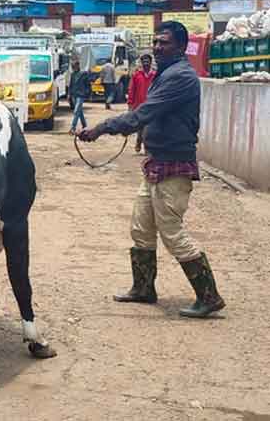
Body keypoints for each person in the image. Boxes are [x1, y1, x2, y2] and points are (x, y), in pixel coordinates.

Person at [79, 21, 225, 318]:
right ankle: (143, 288)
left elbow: (145, 112)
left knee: (171, 231)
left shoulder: (180, 76)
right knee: (141, 228)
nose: (157, 47)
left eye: (165, 43)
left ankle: (209, 296)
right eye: (156, 42)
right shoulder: (167, 73)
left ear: (182, 47)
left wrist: (102, 127)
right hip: (156, 161)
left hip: (174, 164)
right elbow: (147, 113)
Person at [128, 54, 157, 153]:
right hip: (139, 106)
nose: (145, 63)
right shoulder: (136, 75)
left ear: (150, 62)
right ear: (141, 63)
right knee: (140, 127)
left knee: (149, 128)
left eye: (147, 61)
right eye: (144, 61)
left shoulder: (155, 75)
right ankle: (139, 141)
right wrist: (130, 104)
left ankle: (147, 148)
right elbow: (132, 90)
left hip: (151, 105)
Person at [68, 60, 91, 134]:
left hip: (81, 95)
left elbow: (88, 84)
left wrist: (88, 93)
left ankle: (72, 128)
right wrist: (69, 94)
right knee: (79, 112)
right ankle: (85, 126)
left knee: (76, 111)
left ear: (78, 66)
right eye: (72, 67)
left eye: (74, 66)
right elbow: (70, 85)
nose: (73, 68)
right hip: (74, 95)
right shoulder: (72, 74)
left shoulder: (83, 74)